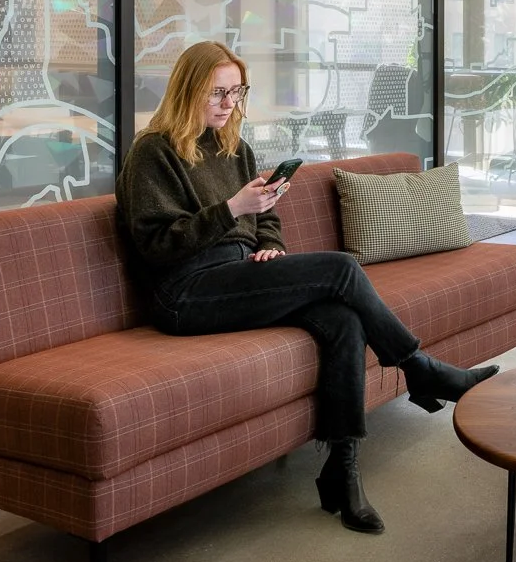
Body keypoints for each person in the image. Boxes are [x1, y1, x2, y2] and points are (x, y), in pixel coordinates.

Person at [116, 40, 496, 535]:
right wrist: (231, 210)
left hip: (238, 274)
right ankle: (419, 369)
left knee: (343, 319)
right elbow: (156, 247)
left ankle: (343, 472)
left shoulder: (233, 145)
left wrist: (268, 246)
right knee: (341, 270)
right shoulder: (153, 151)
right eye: (217, 93)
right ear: (187, 91)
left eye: (236, 92)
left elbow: (265, 215)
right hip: (184, 292)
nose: (229, 103)